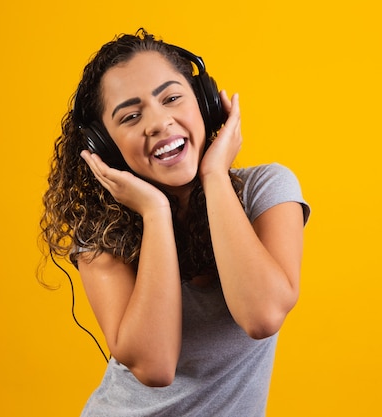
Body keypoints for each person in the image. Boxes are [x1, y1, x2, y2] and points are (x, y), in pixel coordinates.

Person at [41, 28, 310, 416]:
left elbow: (262, 315)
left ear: (204, 102)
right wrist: (155, 213)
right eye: (131, 116)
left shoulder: (265, 190)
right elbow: (155, 366)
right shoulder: (100, 231)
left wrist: (214, 174)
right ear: (104, 146)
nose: (158, 122)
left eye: (171, 98)